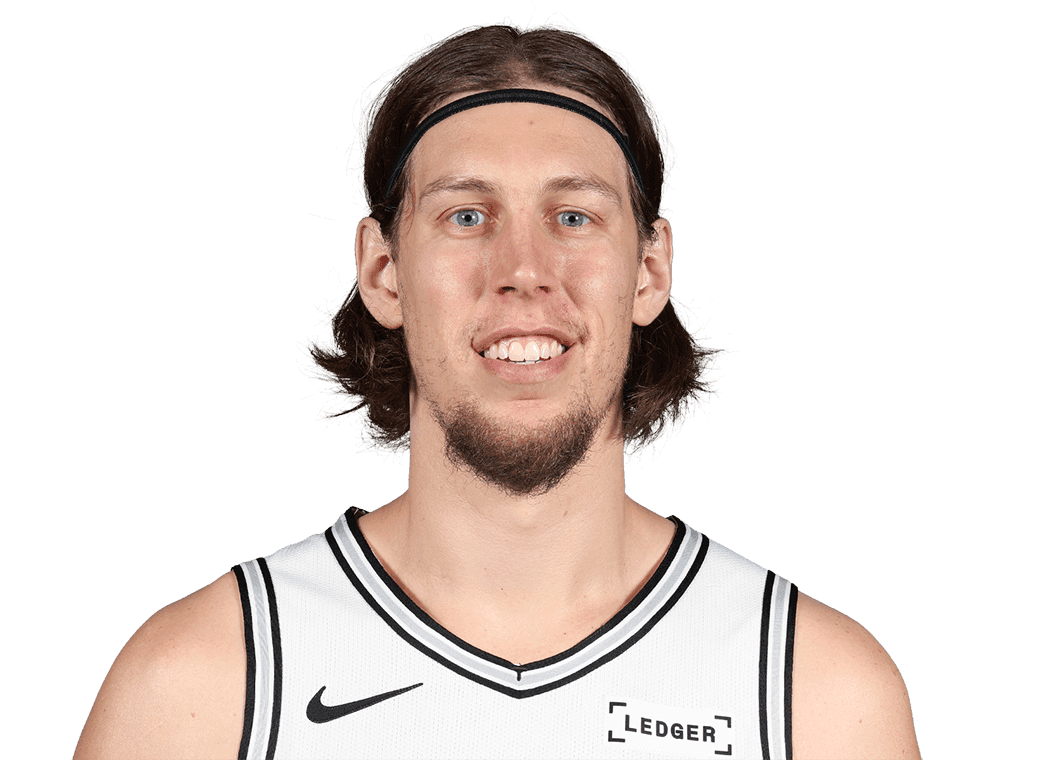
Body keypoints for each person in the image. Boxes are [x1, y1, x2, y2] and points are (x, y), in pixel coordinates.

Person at [73, 21, 921, 760]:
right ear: (383, 271)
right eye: (467, 216)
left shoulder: (817, 695)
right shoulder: (202, 686)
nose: (523, 270)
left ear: (650, 272)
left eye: (574, 216)